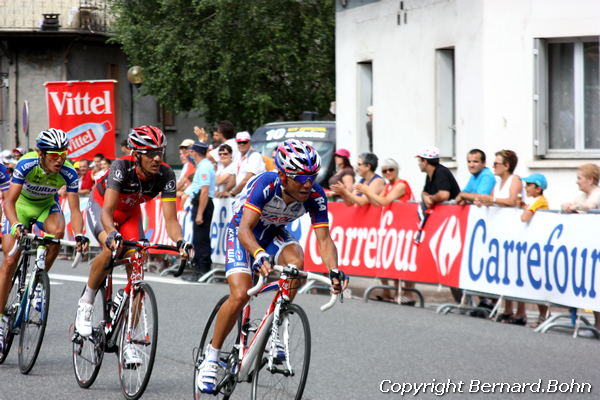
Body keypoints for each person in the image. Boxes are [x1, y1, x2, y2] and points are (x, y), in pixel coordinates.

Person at [196, 139, 347, 394]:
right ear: (283, 176)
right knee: (240, 294)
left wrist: (334, 270)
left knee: (296, 265)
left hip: (274, 233)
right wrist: (257, 254)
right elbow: (245, 228)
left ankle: (278, 324)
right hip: (243, 233)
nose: (308, 183)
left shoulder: (315, 194)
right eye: (300, 177)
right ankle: (211, 357)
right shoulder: (266, 184)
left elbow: (324, 239)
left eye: (312, 176)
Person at [74, 125, 192, 366]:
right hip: (103, 208)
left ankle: (128, 342)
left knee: (137, 272)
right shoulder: (121, 167)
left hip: (130, 214)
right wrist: (112, 233)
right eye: (150, 153)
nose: (157, 158)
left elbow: (171, 220)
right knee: (111, 249)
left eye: (160, 151)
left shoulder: (167, 175)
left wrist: (180, 242)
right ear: (137, 155)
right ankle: (85, 303)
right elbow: (107, 212)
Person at [0, 129, 88, 352]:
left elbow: (76, 210)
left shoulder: (68, 171)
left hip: (46, 207)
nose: (59, 160)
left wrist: (79, 234)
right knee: (10, 262)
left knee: (58, 232)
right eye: (53, 155)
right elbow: (9, 202)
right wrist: (17, 224)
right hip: (20, 206)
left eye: (63, 154)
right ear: (40, 153)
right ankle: (0, 321)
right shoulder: (26, 164)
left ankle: (39, 280)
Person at [355, 158, 415, 304]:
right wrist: (368, 194)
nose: (388, 173)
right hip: (392, 226)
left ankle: (409, 293)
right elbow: (376, 202)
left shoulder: (400, 185)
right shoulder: (388, 186)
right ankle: (391, 291)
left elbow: (385, 201)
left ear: (396, 170)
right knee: (392, 258)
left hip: (405, 225)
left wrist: (367, 191)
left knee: (403, 258)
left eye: (391, 170)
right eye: (384, 171)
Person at [473, 150, 523, 323]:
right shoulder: (499, 182)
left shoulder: (514, 179)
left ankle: (520, 312)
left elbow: (511, 201)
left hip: (514, 231)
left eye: (496, 163)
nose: (493, 166)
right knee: (505, 270)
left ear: (507, 165)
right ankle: (508, 309)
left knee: (515, 270)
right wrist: (482, 202)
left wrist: (491, 200)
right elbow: (493, 199)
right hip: (500, 232)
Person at [561, 163, 600, 336]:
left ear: (590, 179)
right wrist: (567, 207)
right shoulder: (581, 195)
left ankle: (598, 325)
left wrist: (574, 207)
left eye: (580, 178)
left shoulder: (596, 193)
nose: (577, 182)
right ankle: (596, 324)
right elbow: (572, 205)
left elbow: (591, 206)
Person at [182, 141, 216, 282]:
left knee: (200, 239)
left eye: (191, 151)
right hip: (201, 202)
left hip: (203, 203)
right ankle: (199, 269)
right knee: (198, 238)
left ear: (195, 152)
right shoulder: (203, 166)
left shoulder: (204, 167)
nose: (190, 153)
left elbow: (204, 191)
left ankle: (203, 270)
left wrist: (200, 213)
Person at [519, 173, 550, 328]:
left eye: (529, 185)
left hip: (540, 247)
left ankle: (544, 316)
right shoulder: (537, 201)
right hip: (536, 247)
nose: (526, 188)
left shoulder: (540, 201)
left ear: (538, 188)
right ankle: (542, 316)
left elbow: (525, 218)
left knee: (540, 281)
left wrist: (525, 210)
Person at [223, 131, 265, 197]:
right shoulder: (238, 156)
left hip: (252, 197)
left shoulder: (255, 156)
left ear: (250, 142)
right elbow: (234, 178)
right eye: (239, 142)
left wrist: (232, 193)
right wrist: (225, 191)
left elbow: (247, 179)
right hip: (241, 196)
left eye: (244, 142)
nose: (242, 144)